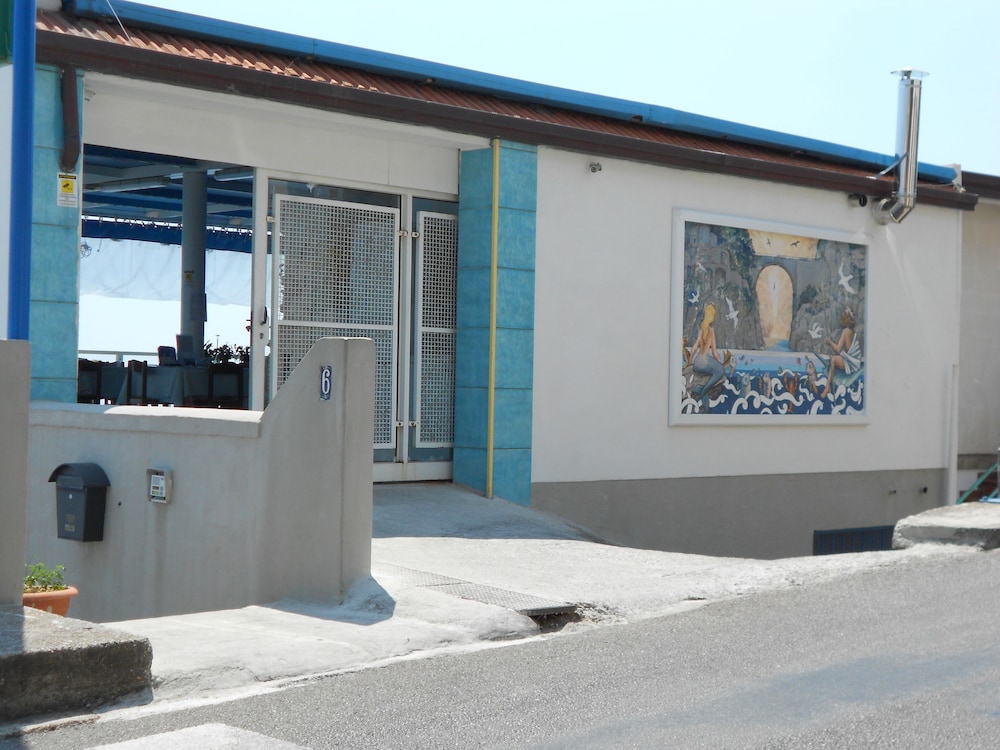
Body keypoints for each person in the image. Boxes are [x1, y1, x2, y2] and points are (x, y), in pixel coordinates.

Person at [689, 303, 727, 400]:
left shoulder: (701, 330)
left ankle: (698, 388)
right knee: (720, 371)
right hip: (704, 362)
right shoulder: (711, 331)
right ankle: (703, 392)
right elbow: (714, 353)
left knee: (713, 370)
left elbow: (694, 348)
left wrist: (689, 362)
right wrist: (720, 363)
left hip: (697, 362)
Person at [821, 307, 861, 398]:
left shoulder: (846, 331)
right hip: (852, 360)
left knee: (834, 360)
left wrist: (830, 342)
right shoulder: (851, 331)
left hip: (850, 363)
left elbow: (838, 349)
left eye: (844, 314)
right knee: (836, 358)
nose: (842, 315)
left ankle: (827, 387)